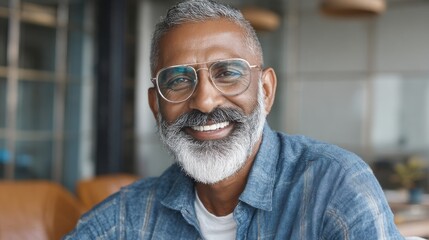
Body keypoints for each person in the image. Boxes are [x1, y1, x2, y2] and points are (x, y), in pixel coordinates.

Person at [65, 0, 405, 239]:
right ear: (156, 105)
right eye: (179, 80)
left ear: (266, 91)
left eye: (227, 73)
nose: (205, 101)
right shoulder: (128, 218)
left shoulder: (335, 186)